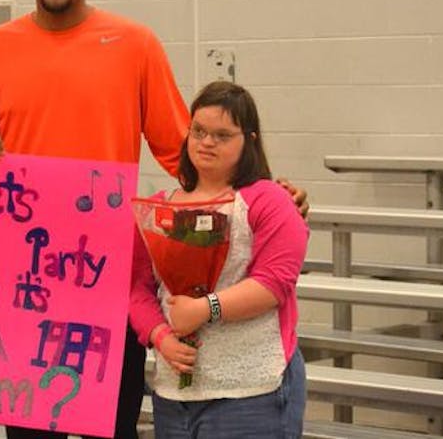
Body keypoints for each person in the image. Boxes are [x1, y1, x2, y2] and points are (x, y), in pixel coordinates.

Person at [0, 0, 308, 437]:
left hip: (105, 273)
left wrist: (262, 190)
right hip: (26, 282)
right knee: (28, 433)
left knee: (110, 428)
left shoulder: (134, 44)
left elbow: (186, 154)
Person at [130, 81, 309, 438]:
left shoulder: (268, 200)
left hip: (251, 393)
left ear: (249, 141)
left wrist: (205, 309)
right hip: (173, 394)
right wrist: (159, 335)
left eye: (222, 135)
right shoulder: (159, 206)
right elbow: (136, 288)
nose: (207, 142)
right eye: (199, 131)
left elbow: (274, 283)